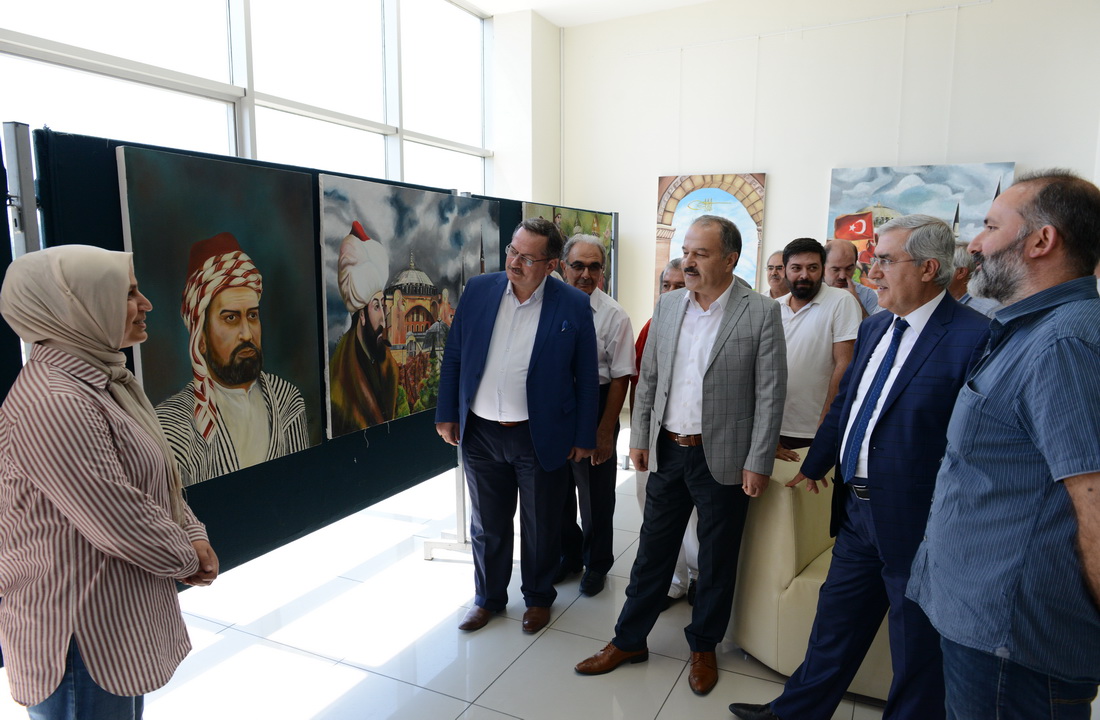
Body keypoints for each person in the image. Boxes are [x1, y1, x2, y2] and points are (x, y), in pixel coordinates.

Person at [728, 215, 990, 720]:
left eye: (886, 260)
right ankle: (794, 714)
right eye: (873, 258)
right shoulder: (874, 326)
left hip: (920, 524)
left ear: (929, 268)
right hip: (855, 512)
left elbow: (973, 447)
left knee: (915, 648)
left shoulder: (974, 337)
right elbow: (847, 407)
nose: (872, 271)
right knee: (835, 626)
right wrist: (816, 463)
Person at [908, 170, 1100, 719]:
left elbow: (1094, 501)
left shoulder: (1064, 341)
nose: (974, 244)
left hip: (1013, 642)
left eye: (991, 227)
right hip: (986, 625)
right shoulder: (1035, 330)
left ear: (1042, 241)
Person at [0, 245, 219, 719]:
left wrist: (193, 533)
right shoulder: (54, 401)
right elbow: (119, 517)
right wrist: (187, 557)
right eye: (128, 293)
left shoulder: (103, 380)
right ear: (79, 306)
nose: (146, 304)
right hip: (78, 641)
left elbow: (154, 475)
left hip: (111, 624)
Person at [575, 214, 786, 696]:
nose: (688, 262)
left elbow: (770, 393)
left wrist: (758, 461)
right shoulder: (669, 305)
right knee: (652, 551)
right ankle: (628, 640)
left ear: (731, 259)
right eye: (686, 252)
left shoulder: (759, 312)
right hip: (669, 451)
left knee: (716, 559)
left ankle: (703, 645)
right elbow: (649, 377)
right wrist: (640, 438)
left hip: (725, 457)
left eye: (700, 254)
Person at [435, 217, 599, 634]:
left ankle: (538, 598)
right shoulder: (479, 290)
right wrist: (447, 413)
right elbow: (455, 354)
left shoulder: (573, 305)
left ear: (551, 265)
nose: (514, 262)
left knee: (541, 524)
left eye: (527, 257)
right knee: (487, 524)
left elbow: (586, 377)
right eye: (512, 250)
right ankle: (488, 598)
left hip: (538, 434)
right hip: (481, 431)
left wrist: (585, 436)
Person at [156, 232, 309, 486]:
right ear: (200, 336)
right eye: (231, 318)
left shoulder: (287, 401)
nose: (247, 334)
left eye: (252, 316)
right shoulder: (172, 426)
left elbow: (302, 487)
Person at [556, 234, 634, 597]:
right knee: (556, 489)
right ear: (563, 266)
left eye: (594, 267)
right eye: (578, 265)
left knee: (595, 496)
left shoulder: (614, 315)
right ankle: (568, 555)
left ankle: (597, 563)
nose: (586, 274)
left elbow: (621, 377)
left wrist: (605, 432)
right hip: (556, 406)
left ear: (603, 271)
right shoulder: (548, 304)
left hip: (598, 405)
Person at [632, 258, 699, 608]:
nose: (671, 291)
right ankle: (673, 581)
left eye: (679, 285)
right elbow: (642, 383)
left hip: (696, 441)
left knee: (695, 518)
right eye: (666, 285)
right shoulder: (652, 325)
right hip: (658, 438)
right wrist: (639, 436)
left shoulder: (707, 324)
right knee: (654, 513)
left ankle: (698, 577)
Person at [775, 238, 860, 457]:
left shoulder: (841, 301)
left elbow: (845, 363)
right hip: (772, 429)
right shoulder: (773, 307)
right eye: (796, 268)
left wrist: (826, 421)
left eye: (812, 268)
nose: (804, 275)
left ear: (822, 269)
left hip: (815, 429)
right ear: (785, 270)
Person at [328, 221, 400, 433]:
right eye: (376, 307)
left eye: (383, 306)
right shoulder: (341, 380)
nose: (383, 320)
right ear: (361, 316)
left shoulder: (388, 366)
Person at [824, 239, 882, 317]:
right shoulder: (811, 290)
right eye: (836, 269)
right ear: (823, 266)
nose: (842, 276)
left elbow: (874, 325)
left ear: (855, 266)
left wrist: (856, 302)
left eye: (849, 269)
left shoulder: (867, 295)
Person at [947, 241, 1002, 318]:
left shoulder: (990, 311)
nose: (933, 272)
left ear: (961, 272)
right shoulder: (941, 300)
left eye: (942, 267)